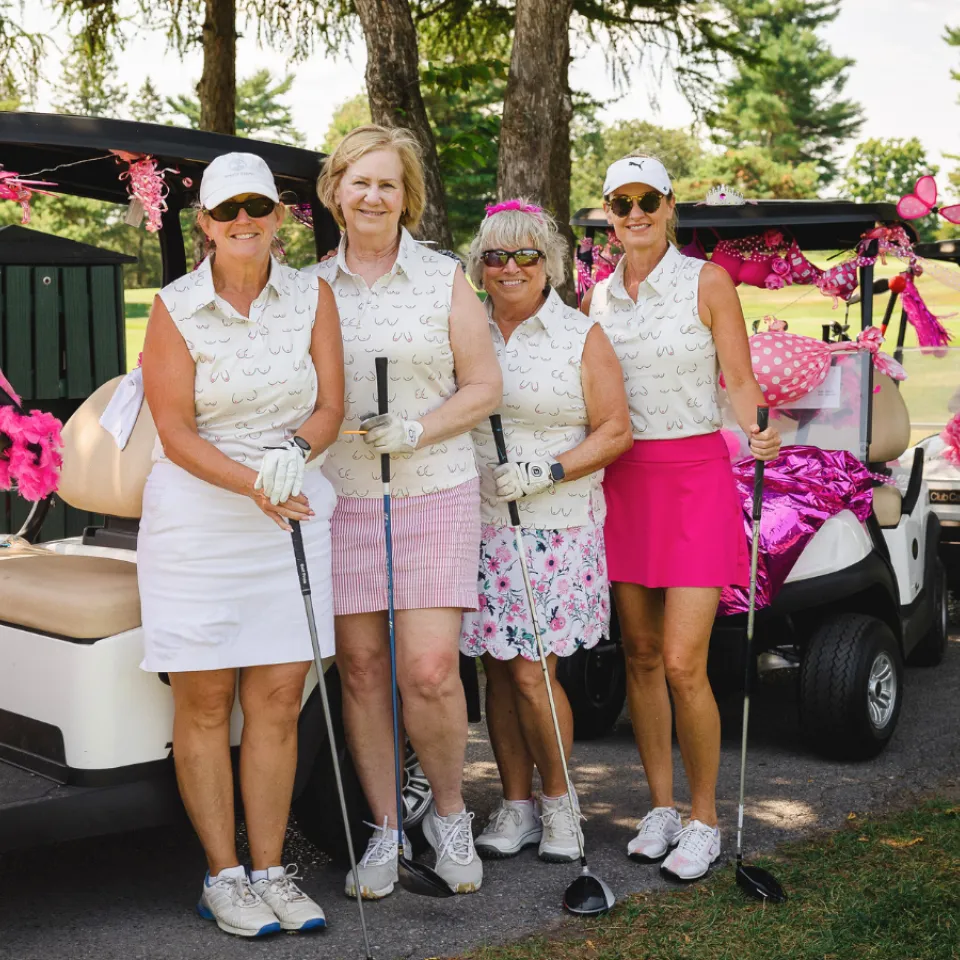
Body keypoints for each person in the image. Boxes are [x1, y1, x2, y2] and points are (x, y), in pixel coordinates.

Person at [139, 152, 344, 937]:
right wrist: (252, 482)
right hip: (200, 519)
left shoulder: (312, 295)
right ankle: (223, 877)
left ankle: (270, 869)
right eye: (228, 212)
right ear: (205, 224)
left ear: (278, 215)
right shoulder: (175, 305)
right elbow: (177, 434)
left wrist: (295, 446)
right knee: (205, 702)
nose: (244, 223)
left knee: (278, 702)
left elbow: (330, 404)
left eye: (257, 207)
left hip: (290, 507)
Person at [303, 125, 502, 898]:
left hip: (435, 490)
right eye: (360, 182)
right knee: (360, 670)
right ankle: (385, 831)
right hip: (347, 496)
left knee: (426, 670)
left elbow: (484, 386)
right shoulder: (312, 286)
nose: (373, 196)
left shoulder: (443, 278)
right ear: (336, 192)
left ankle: (449, 819)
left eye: (388, 184)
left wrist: (419, 426)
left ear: (405, 196)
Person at [581, 155, 781, 882]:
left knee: (680, 661)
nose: (633, 213)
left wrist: (759, 425)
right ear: (607, 211)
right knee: (636, 653)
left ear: (670, 206)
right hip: (624, 482)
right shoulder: (595, 297)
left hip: (694, 480)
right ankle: (661, 807)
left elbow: (740, 377)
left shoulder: (706, 281)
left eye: (646, 200)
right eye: (620, 202)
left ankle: (705, 818)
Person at [461, 200, 632, 862]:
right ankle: (516, 805)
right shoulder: (467, 330)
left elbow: (616, 430)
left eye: (525, 255)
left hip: (556, 525)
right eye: (496, 256)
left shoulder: (579, 336)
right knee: (498, 674)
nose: (510, 268)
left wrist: (550, 470)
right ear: (480, 267)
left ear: (549, 265)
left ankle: (562, 807)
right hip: (480, 523)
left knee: (533, 671)